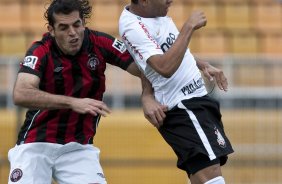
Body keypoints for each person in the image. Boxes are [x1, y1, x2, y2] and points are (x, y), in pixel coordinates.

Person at [8, 0, 168, 183]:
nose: (73, 33)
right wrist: (72, 102)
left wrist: (147, 95)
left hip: (79, 148)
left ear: (83, 23)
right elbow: (21, 93)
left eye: (77, 25)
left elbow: (145, 66)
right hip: (35, 145)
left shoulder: (99, 43)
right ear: (51, 30)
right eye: (63, 27)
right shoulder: (41, 50)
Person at [119, 0, 234, 183]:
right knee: (212, 174)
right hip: (182, 107)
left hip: (195, 101)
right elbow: (164, 67)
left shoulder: (156, 13)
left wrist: (202, 64)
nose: (170, 0)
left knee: (201, 176)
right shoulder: (133, 26)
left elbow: (171, 50)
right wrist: (188, 27)